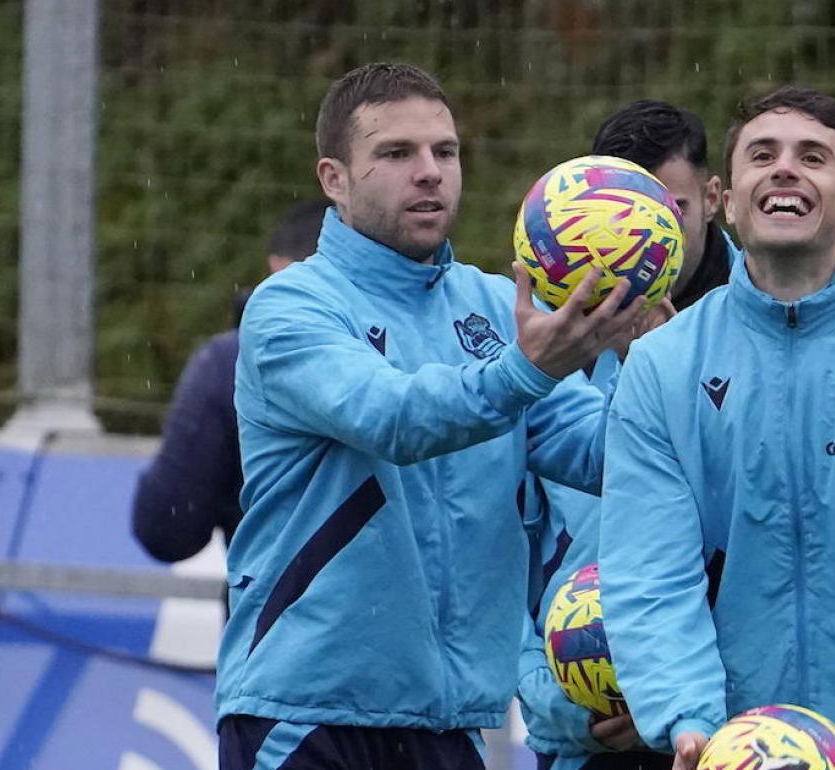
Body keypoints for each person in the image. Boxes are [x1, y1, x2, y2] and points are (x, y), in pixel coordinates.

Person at [214, 63, 650, 770]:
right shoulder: (291, 306)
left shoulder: (489, 304)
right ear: (334, 179)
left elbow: (602, 453)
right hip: (306, 716)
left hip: (449, 724)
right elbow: (390, 417)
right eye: (396, 154)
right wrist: (528, 369)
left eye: (444, 152)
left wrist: (657, 370)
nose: (429, 173)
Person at [597, 87, 835, 770]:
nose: (785, 169)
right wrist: (686, 719)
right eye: (762, 155)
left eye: (813, 157)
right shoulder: (662, 366)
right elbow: (650, 572)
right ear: (725, 199)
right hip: (729, 750)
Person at [518, 99, 738, 770]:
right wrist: (566, 708)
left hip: (738, 730)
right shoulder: (532, 351)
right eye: (612, 222)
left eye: (665, 212)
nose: (634, 243)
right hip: (590, 734)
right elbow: (500, 565)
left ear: (713, 199)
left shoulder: (780, 325)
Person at [131, 199, 325, 562]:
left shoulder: (231, 363)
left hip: (278, 610)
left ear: (277, 267)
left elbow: (167, 529)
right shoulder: (444, 352)